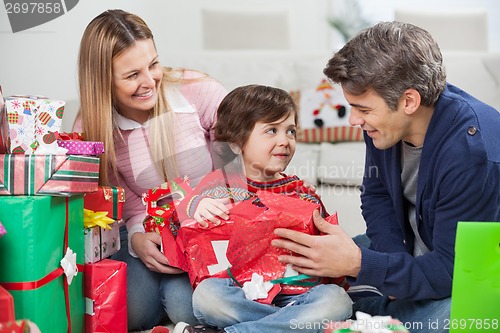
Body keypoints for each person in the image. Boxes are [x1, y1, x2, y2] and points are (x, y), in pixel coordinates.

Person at [272, 21, 500, 333]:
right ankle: (369, 311)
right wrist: (389, 266)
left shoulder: (472, 151)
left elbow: (452, 271)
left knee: (461, 319)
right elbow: (376, 194)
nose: (354, 119)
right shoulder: (383, 126)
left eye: (362, 109)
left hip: (469, 274)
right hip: (412, 248)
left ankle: (361, 311)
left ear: (409, 101)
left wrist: (360, 265)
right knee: (309, 262)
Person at [74, 9, 227, 331]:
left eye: (153, 65)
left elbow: (238, 168)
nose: (149, 82)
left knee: (188, 306)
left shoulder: (198, 91)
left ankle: (172, 298)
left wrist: (198, 223)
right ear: (103, 81)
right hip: (148, 228)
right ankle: (162, 294)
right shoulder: (92, 128)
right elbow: (124, 200)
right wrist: (140, 238)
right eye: (132, 75)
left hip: (212, 225)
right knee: (131, 313)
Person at [173, 85, 353, 333]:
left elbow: (329, 249)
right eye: (271, 130)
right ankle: (289, 326)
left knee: (337, 301)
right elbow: (176, 219)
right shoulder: (218, 186)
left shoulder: (302, 193)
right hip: (240, 294)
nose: (285, 140)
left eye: (290, 131)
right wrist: (196, 205)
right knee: (206, 296)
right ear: (236, 143)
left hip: (298, 295)